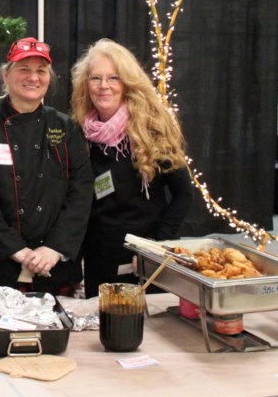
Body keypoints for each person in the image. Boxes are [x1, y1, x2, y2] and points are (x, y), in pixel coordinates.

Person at [0, 37, 93, 295]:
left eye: (41, 71)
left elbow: (81, 191)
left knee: (57, 334)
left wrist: (54, 248)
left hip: (53, 265)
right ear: (6, 75)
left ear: (49, 78)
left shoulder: (65, 127)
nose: (33, 78)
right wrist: (14, 248)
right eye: (24, 69)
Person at [70, 39, 193, 297]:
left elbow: (183, 194)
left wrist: (157, 246)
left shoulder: (152, 128)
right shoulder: (79, 132)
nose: (104, 86)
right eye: (96, 78)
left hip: (146, 259)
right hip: (99, 257)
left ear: (127, 82)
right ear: (86, 84)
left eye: (113, 78)